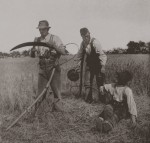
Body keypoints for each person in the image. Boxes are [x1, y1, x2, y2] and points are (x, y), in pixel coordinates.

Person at [31, 20, 67, 113]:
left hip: (53, 67)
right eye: (39, 29)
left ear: (47, 29)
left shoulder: (54, 38)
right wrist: (33, 49)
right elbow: (32, 55)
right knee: (40, 92)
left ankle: (59, 113)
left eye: (43, 29)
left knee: (56, 91)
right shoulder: (37, 40)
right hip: (42, 67)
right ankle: (38, 113)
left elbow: (63, 51)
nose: (41, 31)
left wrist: (54, 45)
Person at [75, 27, 107, 103]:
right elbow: (80, 55)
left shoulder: (95, 42)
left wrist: (102, 66)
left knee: (100, 83)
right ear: (81, 36)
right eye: (84, 36)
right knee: (87, 83)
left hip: (98, 65)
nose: (86, 37)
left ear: (89, 34)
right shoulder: (83, 43)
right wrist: (77, 64)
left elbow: (102, 55)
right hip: (89, 65)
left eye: (87, 35)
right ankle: (89, 100)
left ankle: (102, 100)